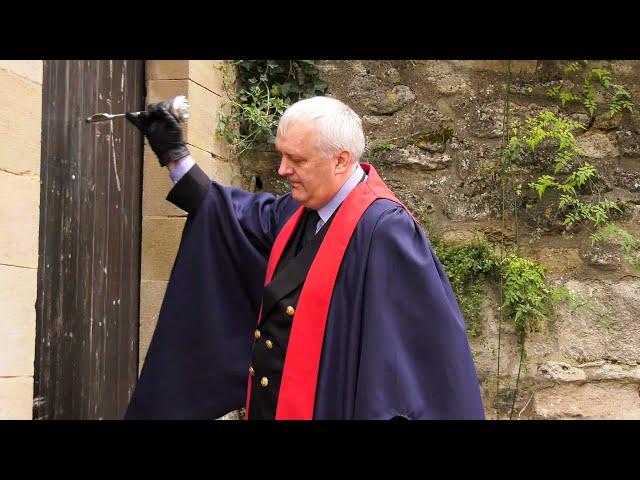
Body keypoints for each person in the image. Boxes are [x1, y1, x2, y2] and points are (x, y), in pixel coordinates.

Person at [124, 96, 485, 420]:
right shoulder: (299, 212)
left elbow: (418, 362)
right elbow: (230, 214)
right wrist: (174, 156)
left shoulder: (383, 231)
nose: (282, 169)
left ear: (341, 160)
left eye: (296, 159)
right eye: (281, 155)